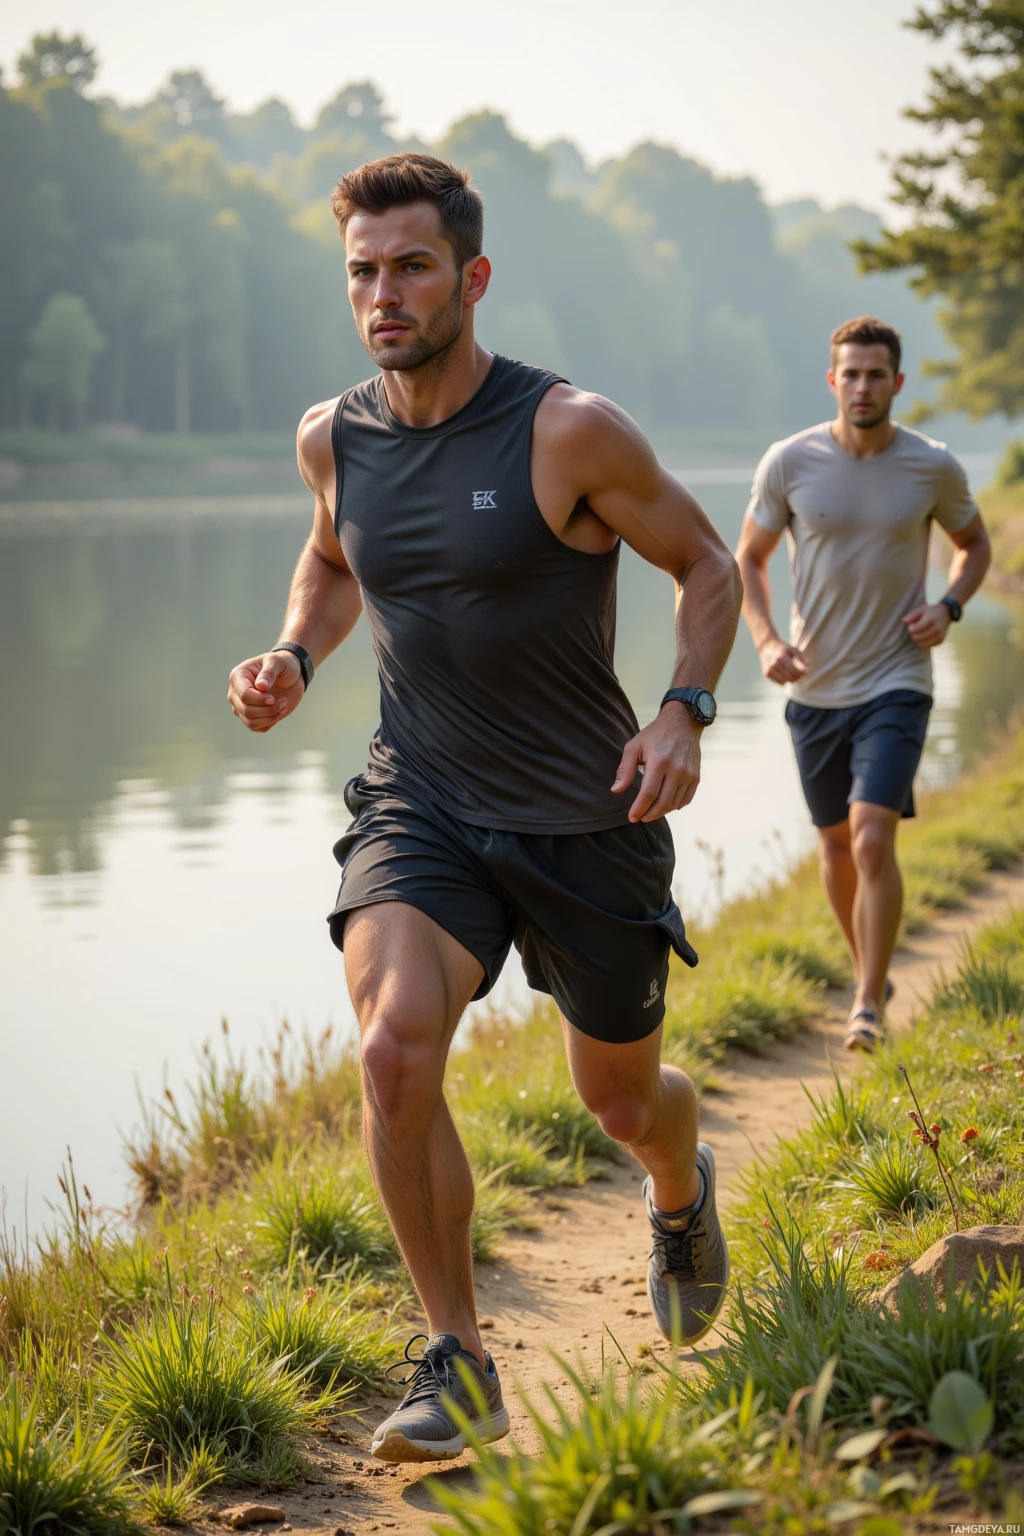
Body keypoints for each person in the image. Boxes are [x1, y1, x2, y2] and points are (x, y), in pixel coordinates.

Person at [227, 153, 741, 1463]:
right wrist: (295, 650)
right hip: (425, 799)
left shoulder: (565, 429)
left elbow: (706, 564)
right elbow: (337, 552)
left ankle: (680, 1189)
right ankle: (458, 1358)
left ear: (472, 277)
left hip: (585, 813)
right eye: (362, 271)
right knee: (394, 1052)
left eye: (410, 266)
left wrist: (682, 706)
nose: (384, 293)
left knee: (623, 1105)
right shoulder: (331, 436)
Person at [737, 316, 991, 1052]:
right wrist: (765, 641)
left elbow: (974, 545)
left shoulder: (931, 467)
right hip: (813, 687)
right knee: (836, 850)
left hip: (897, 680)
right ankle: (871, 973)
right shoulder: (789, 462)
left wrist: (949, 606)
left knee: (873, 838)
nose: (862, 385)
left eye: (876, 374)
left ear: (897, 384)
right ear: (832, 381)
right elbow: (747, 559)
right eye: (850, 373)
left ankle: (865, 1006)